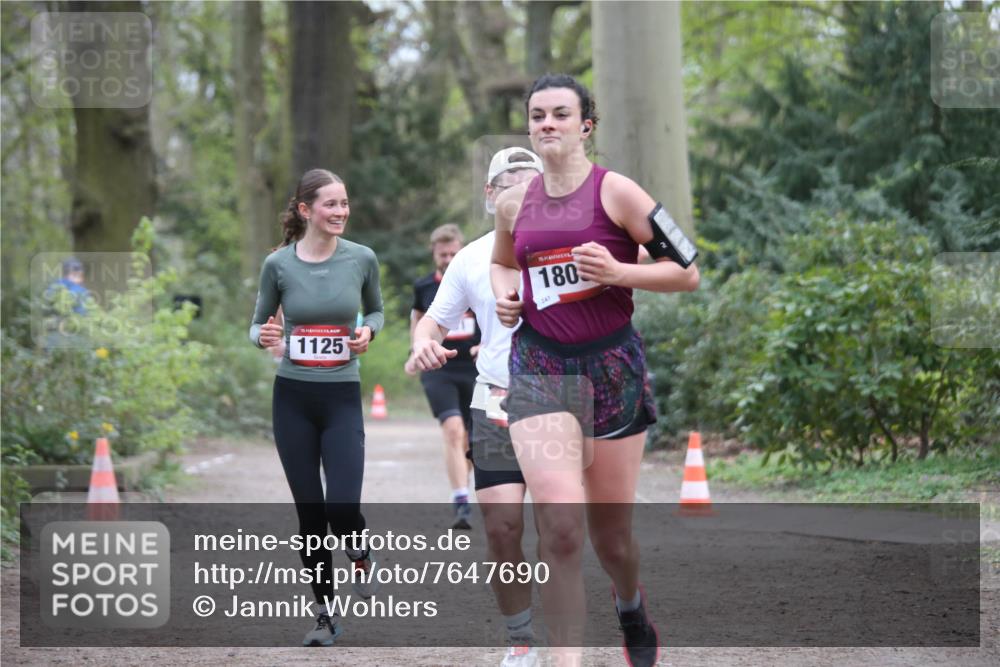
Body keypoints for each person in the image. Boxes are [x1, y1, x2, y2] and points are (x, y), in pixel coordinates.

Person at [490, 74, 700, 667]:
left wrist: (619, 273)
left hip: (611, 367)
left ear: (586, 125)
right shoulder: (514, 203)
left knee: (612, 539)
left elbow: (687, 271)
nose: (547, 124)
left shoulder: (619, 193)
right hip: (539, 365)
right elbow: (504, 264)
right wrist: (507, 296)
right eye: (537, 115)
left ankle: (630, 604)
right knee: (559, 529)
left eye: (560, 114)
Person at [407, 147, 544, 667]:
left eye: (533, 184)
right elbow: (433, 320)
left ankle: (611, 611)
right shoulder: (470, 258)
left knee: (563, 531)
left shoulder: (571, 246)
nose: (523, 194)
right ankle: (521, 641)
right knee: (503, 530)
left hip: (562, 399)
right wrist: (423, 342)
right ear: (491, 195)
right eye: (511, 185)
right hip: (497, 401)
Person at [249, 168, 384, 647]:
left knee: (342, 508)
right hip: (293, 399)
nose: (341, 211)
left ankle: (360, 552)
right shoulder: (278, 265)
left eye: (344, 203)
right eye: (331, 204)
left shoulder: (361, 258)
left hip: (341, 397)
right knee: (310, 517)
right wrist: (263, 336)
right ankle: (325, 616)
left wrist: (368, 331)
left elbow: (376, 311)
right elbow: (257, 324)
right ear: (306, 210)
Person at [408, 224, 481, 529]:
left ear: (461, 250)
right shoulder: (424, 286)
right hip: (439, 369)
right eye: (443, 255)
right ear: (434, 254)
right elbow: (418, 319)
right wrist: (415, 351)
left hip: (476, 369)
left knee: (472, 439)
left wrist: (487, 344)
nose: (448, 259)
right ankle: (461, 500)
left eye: (453, 253)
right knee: (453, 429)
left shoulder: (476, 279)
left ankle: (465, 483)